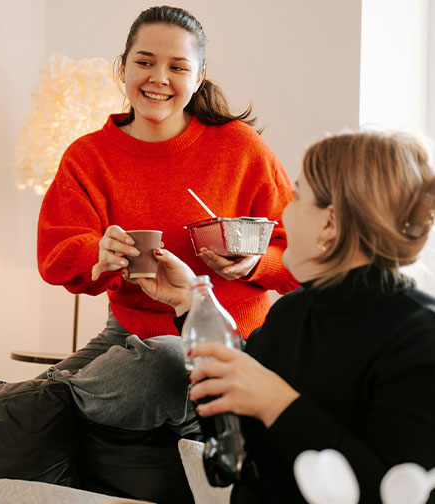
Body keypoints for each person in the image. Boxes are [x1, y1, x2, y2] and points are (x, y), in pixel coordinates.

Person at [136, 130, 435, 502]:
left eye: (297, 196)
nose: (282, 216)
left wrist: (278, 404)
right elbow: (233, 413)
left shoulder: (421, 339)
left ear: (330, 222)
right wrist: (189, 302)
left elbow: (390, 491)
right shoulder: (293, 312)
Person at [37, 5, 298, 374]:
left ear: (198, 77)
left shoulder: (241, 147)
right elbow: (56, 257)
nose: (159, 78)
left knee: (161, 368)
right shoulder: (87, 156)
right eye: (145, 62)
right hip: (130, 338)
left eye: (177, 67)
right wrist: (98, 252)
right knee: (26, 409)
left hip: (232, 339)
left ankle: (64, 393)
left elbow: (301, 257)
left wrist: (256, 263)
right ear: (123, 67)